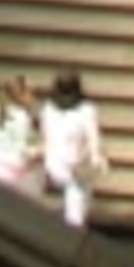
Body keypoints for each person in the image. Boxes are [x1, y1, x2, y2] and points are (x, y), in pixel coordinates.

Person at [40, 66, 108, 227]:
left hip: (53, 164)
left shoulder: (47, 109)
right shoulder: (87, 111)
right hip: (75, 168)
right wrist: (97, 159)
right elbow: (94, 140)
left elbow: (46, 137)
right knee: (77, 207)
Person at [0, 72, 43, 195]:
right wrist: (40, 150)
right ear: (22, 95)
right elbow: (21, 154)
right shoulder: (22, 118)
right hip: (11, 174)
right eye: (31, 93)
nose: (34, 98)